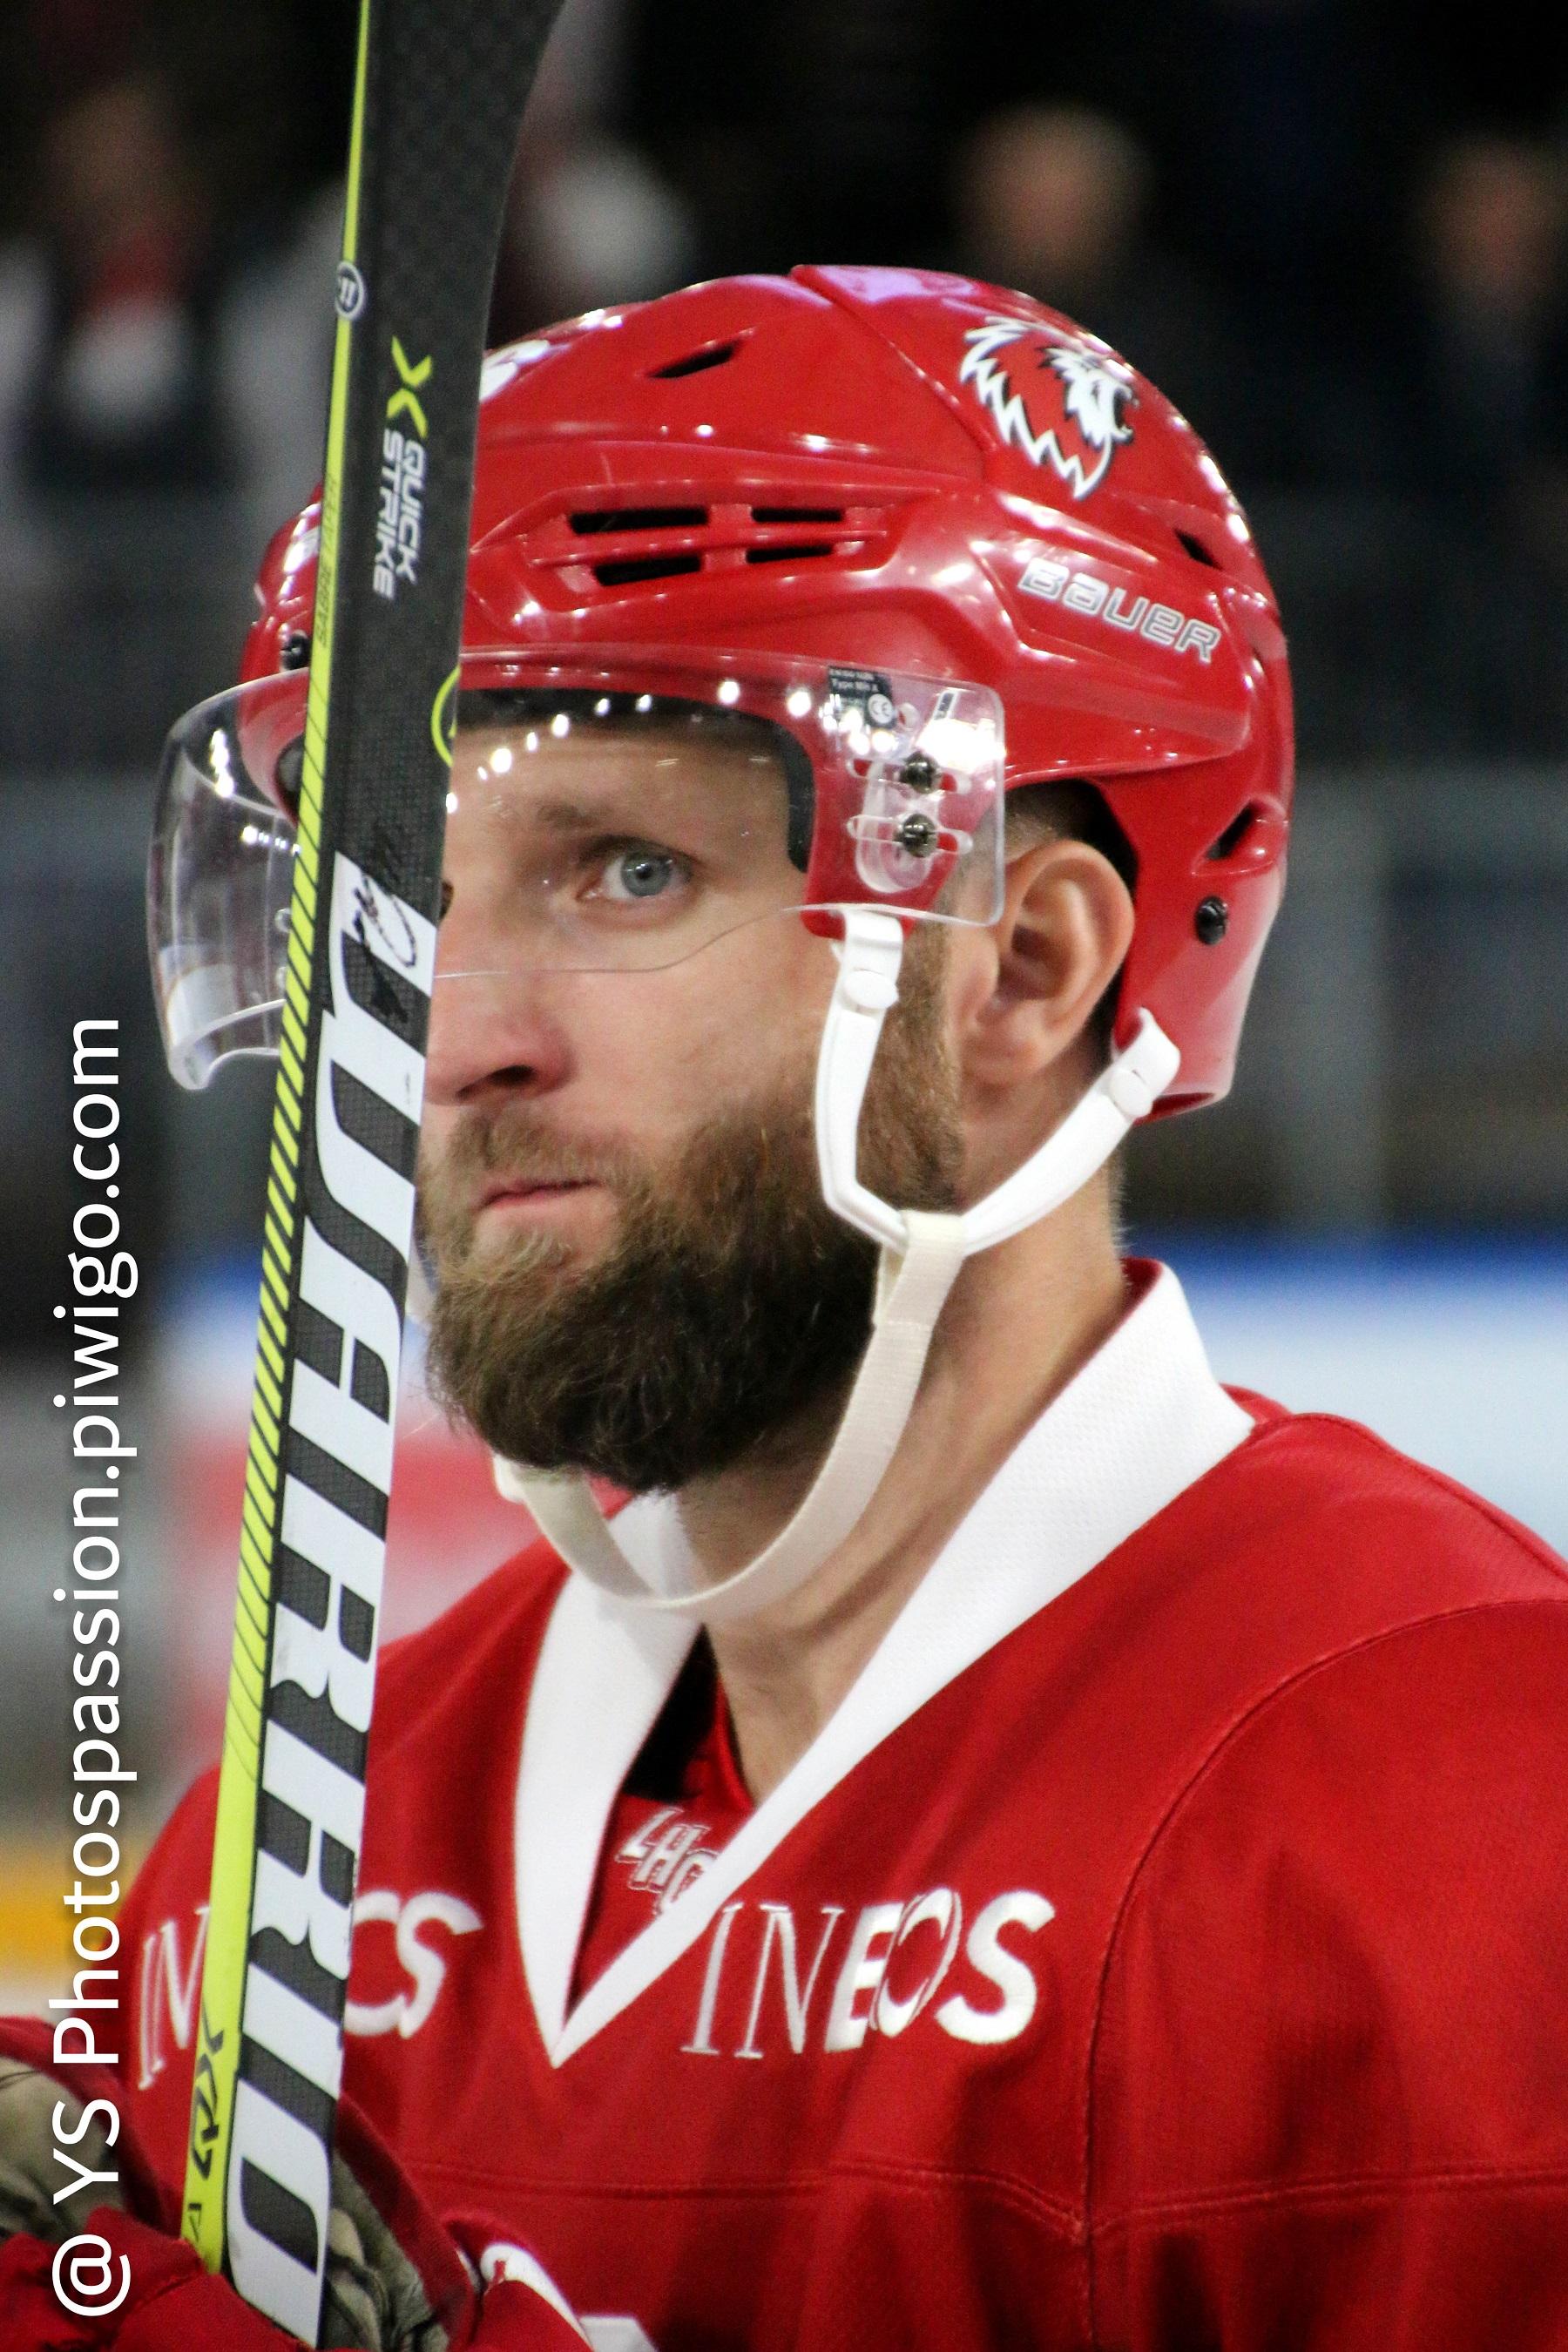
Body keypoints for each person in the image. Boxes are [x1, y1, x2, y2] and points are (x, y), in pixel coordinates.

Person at [10, 266, 1568, 2348]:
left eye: (623, 871)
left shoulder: (1464, 1820)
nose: (450, 1039)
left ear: (1024, 971)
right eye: (399, 899)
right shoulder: (307, 1842)